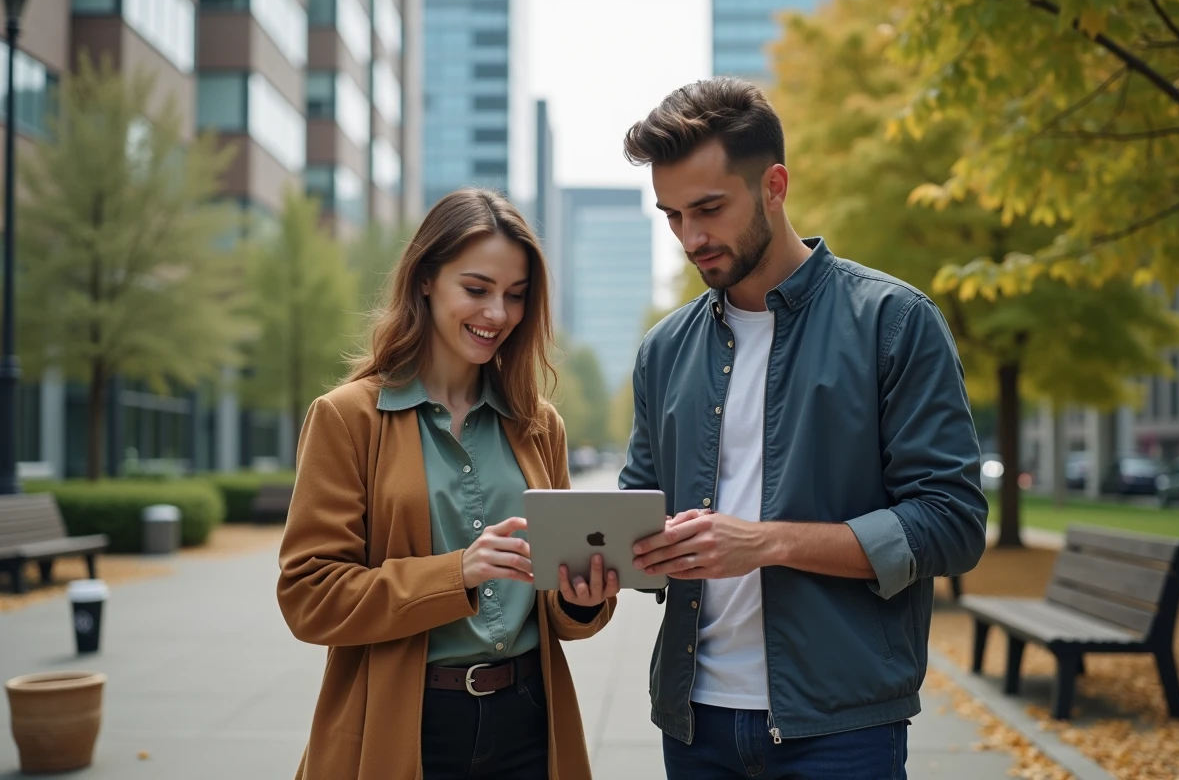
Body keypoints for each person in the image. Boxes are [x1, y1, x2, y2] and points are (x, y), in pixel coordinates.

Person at [618, 77, 988, 779]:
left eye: (709, 209)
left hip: (842, 727)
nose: (691, 238)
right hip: (693, 723)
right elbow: (640, 516)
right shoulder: (663, 351)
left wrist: (765, 543)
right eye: (672, 216)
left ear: (774, 186)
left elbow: (953, 522)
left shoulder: (894, 323)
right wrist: (600, 562)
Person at [276, 188, 619, 780]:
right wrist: (457, 573)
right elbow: (310, 598)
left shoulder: (539, 427)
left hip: (529, 722)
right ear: (426, 280)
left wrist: (579, 598)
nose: (498, 314)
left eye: (515, 295)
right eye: (477, 289)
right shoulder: (347, 418)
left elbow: (559, 609)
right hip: (404, 726)